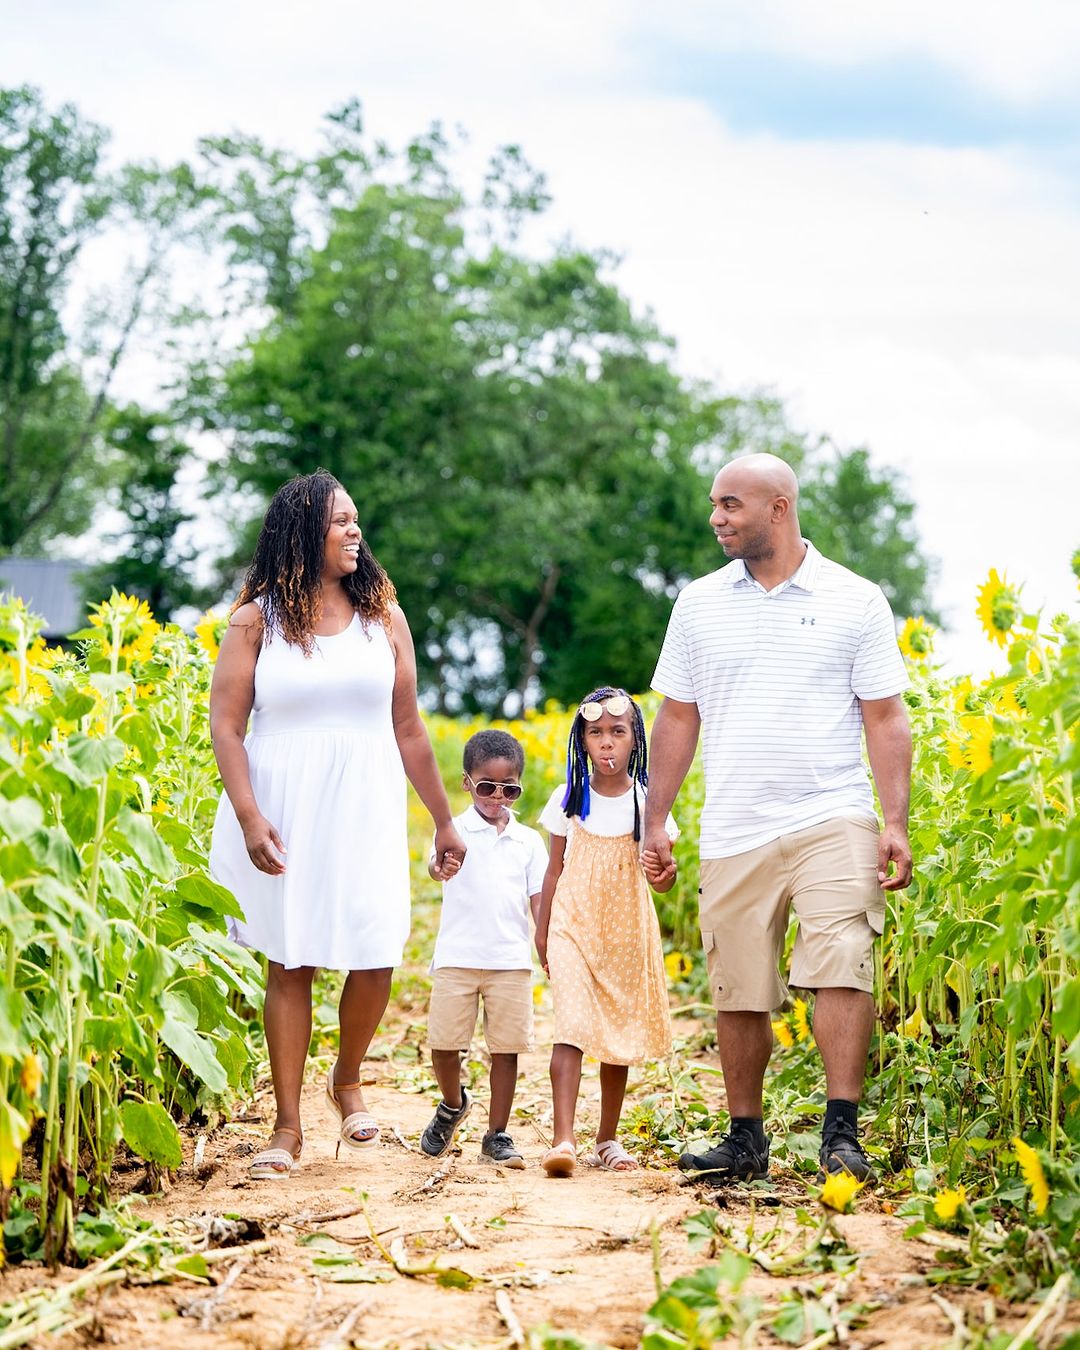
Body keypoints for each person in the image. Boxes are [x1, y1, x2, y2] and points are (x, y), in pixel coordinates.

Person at [642, 452, 912, 1185]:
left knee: (841, 967)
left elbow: (886, 717)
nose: (716, 518)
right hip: (735, 823)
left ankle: (841, 1133)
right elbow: (676, 716)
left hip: (834, 813)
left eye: (731, 504)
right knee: (740, 984)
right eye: (715, 503)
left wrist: (895, 822)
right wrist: (654, 820)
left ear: (779, 508)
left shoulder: (855, 599)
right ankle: (745, 1137)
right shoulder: (698, 602)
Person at [209, 469, 466, 1180]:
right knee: (290, 960)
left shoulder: (384, 614)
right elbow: (226, 727)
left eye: (356, 521)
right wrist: (250, 816)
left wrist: (444, 821)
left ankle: (346, 1076)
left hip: (367, 806)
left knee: (375, 949)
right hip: (284, 810)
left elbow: (409, 728)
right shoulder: (257, 620)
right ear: (302, 532)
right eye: (339, 521)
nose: (355, 532)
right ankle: (287, 1126)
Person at [534, 687, 678, 1178]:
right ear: (583, 741)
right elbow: (553, 871)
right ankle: (564, 1139)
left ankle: (607, 1138)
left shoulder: (648, 803)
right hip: (572, 923)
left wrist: (667, 875)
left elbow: (661, 876)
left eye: (618, 732)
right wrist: (542, 929)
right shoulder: (570, 798)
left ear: (635, 740)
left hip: (626, 930)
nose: (607, 743)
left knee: (618, 1031)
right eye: (596, 733)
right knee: (571, 1026)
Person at [419, 730, 549, 1169]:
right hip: (457, 957)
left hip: (510, 961)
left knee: (506, 1049)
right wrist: (445, 864)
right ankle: (453, 1104)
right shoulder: (452, 830)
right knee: (444, 1045)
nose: (498, 797)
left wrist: (546, 942)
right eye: (487, 786)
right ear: (467, 783)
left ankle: (497, 1133)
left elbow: (538, 901)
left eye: (509, 789)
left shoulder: (529, 841)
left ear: (518, 788)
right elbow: (438, 868)